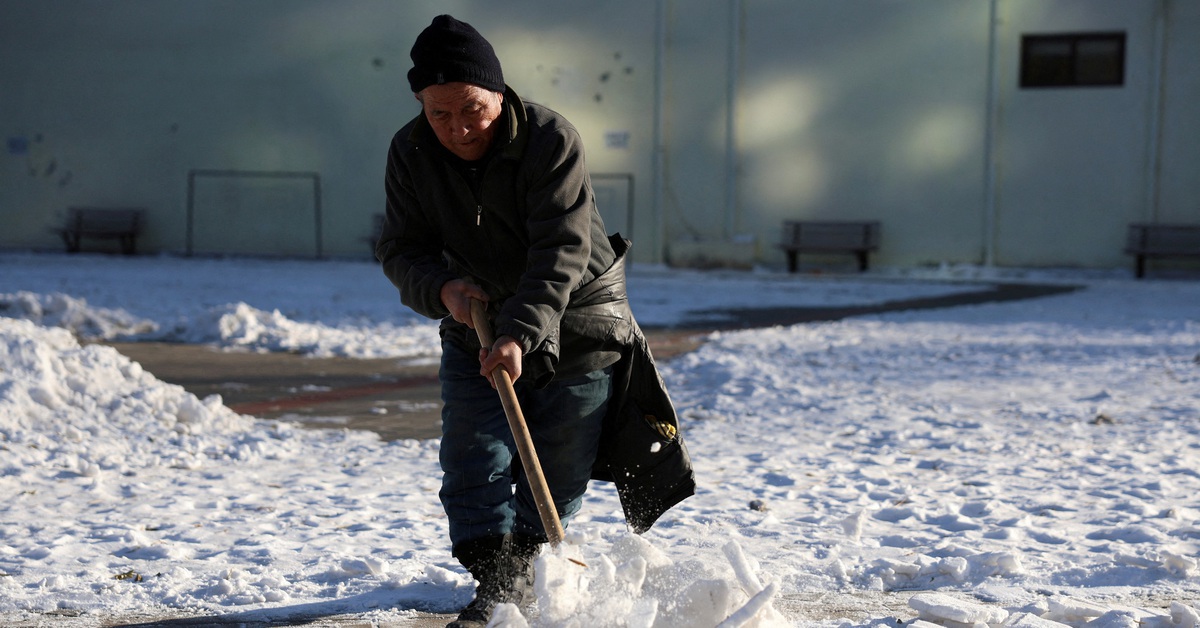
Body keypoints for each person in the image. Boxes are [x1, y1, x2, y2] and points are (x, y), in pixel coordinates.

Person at [376, 15, 694, 626]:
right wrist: (442, 288)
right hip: (474, 315)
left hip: (578, 317)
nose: (458, 128)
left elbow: (562, 250)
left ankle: (531, 574)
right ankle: (500, 588)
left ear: (497, 91)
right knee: (472, 456)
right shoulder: (410, 150)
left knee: (556, 464)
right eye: (438, 114)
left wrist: (521, 333)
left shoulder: (549, 138)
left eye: (471, 108)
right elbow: (400, 248)